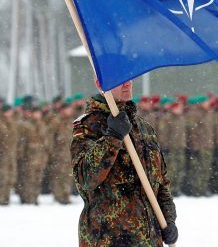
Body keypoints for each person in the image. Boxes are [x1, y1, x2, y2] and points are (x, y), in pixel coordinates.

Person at [70, 79, 178, 246]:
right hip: (109, 238)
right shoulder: (89, 126)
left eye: (129, 79)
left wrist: (168, 219)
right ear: (100, 84)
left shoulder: (143, 127)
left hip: (149, 239)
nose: (127, 84)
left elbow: (160, 182)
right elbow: (86, 178)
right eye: (119, 80)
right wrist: (112, 137)